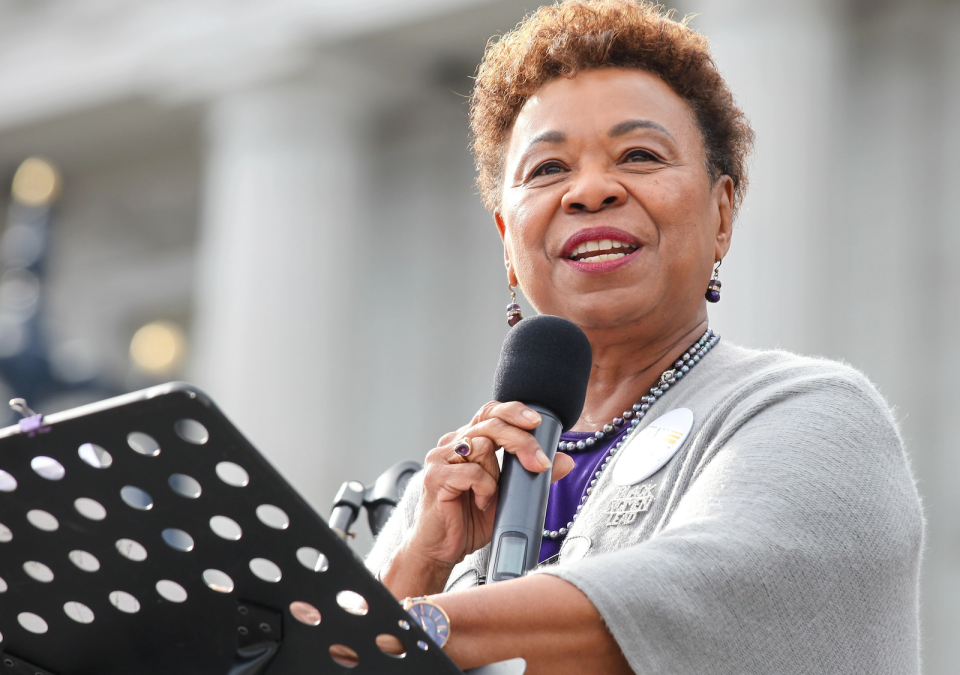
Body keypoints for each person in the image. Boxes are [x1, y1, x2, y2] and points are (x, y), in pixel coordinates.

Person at [366, 1, 924, 673]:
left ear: (722, 212)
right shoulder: (451, 489)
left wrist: (416, 622)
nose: (591, 190)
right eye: (547, 169)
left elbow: (703, 598)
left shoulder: (814, 414)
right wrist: (419, 561)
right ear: (507, 241)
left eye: (639, 155)